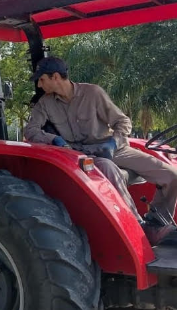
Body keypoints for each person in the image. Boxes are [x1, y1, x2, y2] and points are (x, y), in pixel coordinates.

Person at [24, 57, 177, 246]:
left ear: (55, 77)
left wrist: (113, 143)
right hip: (81, 155)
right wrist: (53, 139)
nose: (39, 84)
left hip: (113, 148)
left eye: (42, 79)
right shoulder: (45, 103)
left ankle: (158, 222)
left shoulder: (93, 93)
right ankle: (139, 226)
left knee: (171, 175)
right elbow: (30, 131)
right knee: (108, 169)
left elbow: (123, 122)